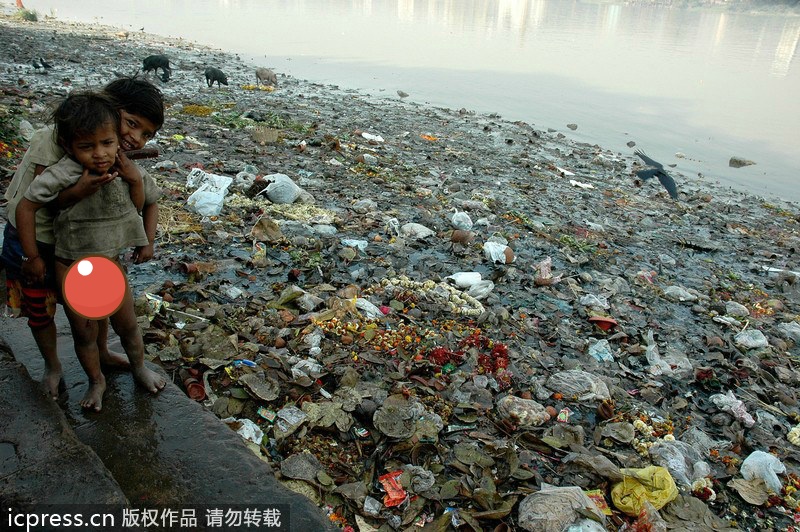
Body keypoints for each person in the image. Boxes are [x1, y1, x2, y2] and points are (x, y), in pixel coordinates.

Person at [1, 76, 163, 400]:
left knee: (96, 310)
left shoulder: (110, 152)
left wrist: (144, 234)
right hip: (35, 240)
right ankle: (52, 366)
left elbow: (138, 200)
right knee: (41, 309)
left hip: (86, 247)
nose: (135, 137)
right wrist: (30, 257)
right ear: (107, 109)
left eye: (145, 133)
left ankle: (102, 355)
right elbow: (40, 203)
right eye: (131, 124)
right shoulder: (58, 141)